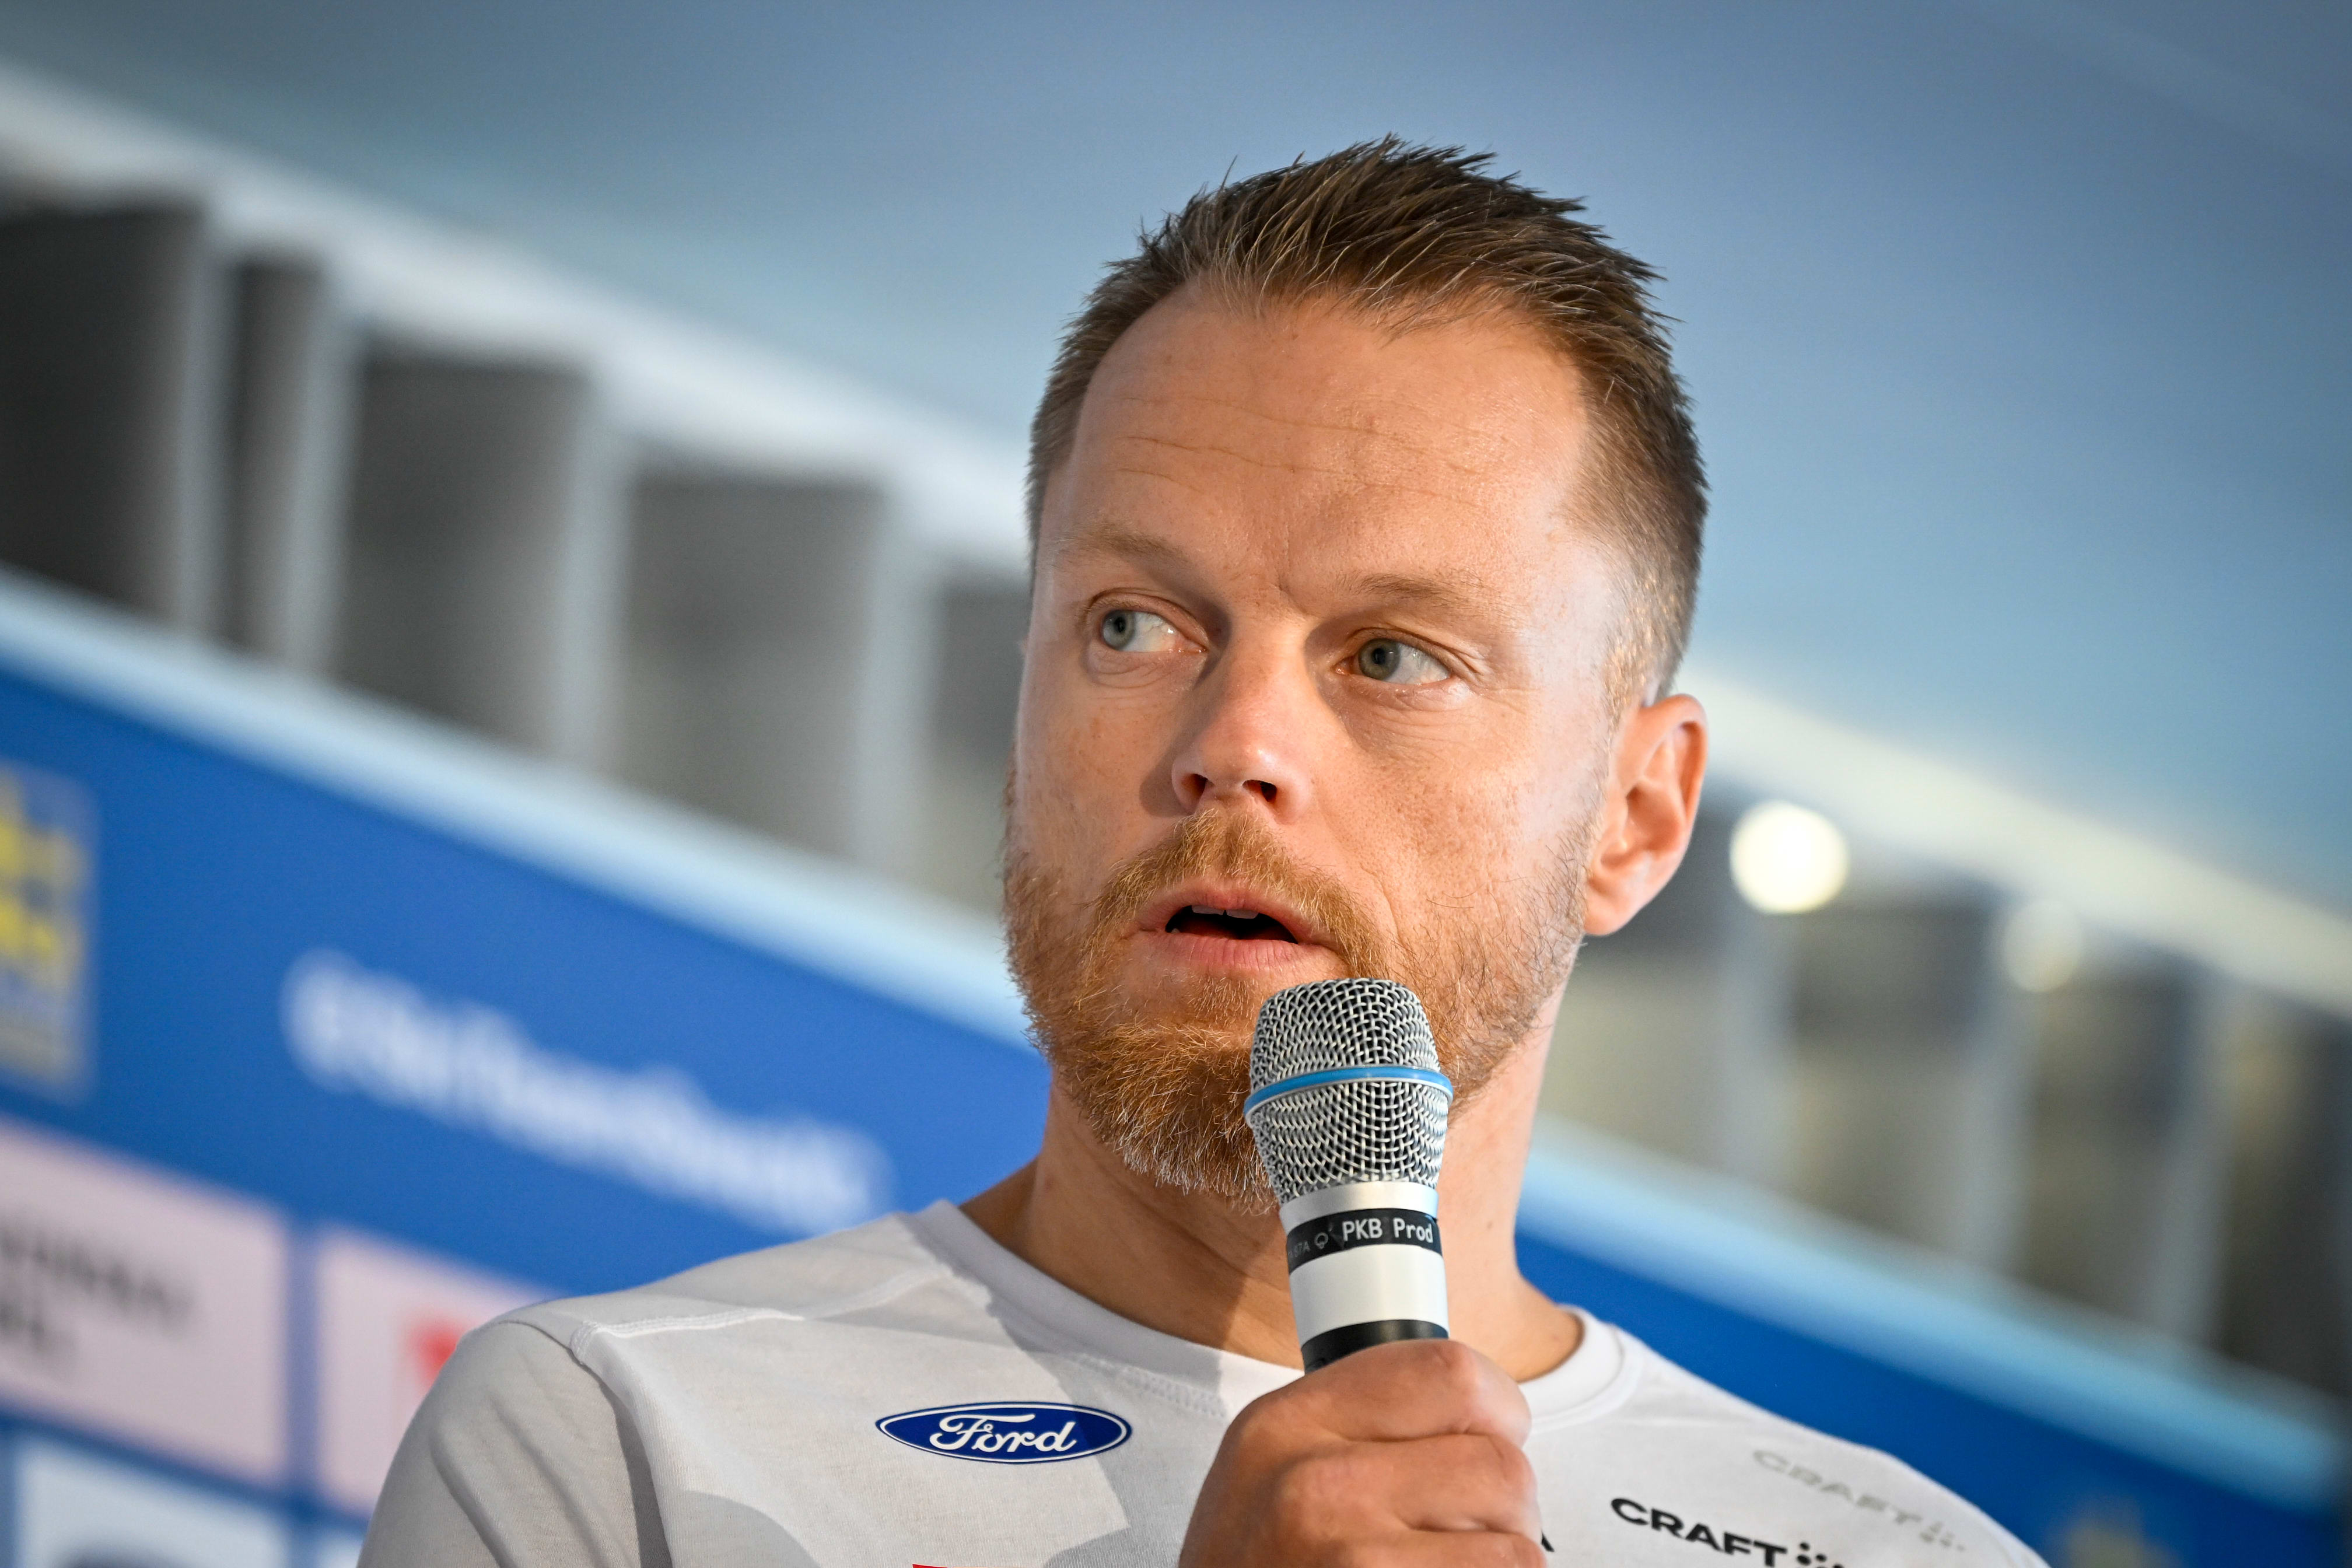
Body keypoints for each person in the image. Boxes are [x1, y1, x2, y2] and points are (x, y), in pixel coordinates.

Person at [363, 139, 2045, 1568]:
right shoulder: (621, 1440)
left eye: (1390, 655)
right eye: (1134, 624)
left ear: (1637, 818)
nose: (1234, 743)